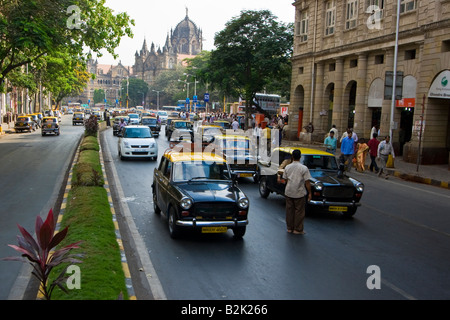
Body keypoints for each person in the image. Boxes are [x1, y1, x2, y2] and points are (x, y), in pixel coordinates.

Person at [282, 149, 312, 235]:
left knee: (289, 210)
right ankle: (297, 229)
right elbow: (307, 182)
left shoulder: (287, 167)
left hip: (289, 191)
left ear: (292, 157)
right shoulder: (304, 168)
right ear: (300, 157)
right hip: (299, 192)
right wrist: (309, 193)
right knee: (299, 211)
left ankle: (289, 228)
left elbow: (285, 179)